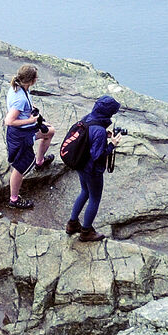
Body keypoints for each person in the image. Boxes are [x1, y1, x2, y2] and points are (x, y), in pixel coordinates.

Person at [63, 95, 120, 241]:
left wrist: (104, 135)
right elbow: (98, 156)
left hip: (80, 164)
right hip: (92, 170)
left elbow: (88, 136)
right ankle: (86, 232)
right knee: (94, 198)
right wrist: (112, 144)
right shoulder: (99, 131)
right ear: (107, 113)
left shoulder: (87, 118)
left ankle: (72, 223)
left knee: (84, 191)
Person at [3, 64, 52, 207]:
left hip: (27, 130)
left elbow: (24, 103)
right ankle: (14, 199)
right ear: (31, 80)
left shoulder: (18, 87)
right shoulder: (20, 99)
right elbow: (9, 121)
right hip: (21, 135)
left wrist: (31, 109)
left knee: (50, 132)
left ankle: (40, 162)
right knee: (20, 168)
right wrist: (31, 120)